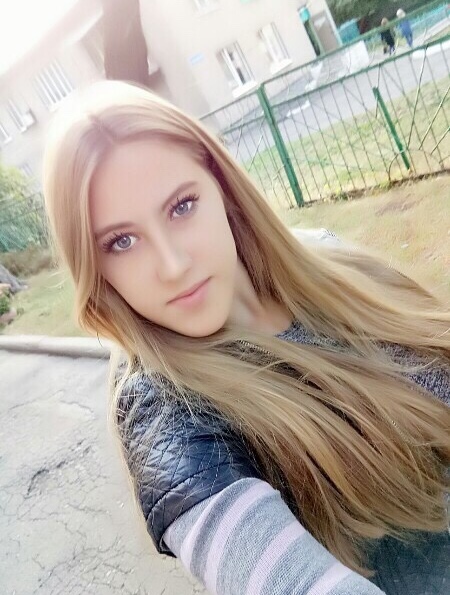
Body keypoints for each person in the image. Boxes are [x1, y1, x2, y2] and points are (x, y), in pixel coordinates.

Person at [43, 81, 449, 595]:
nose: (173, 264)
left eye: (181, 206)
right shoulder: (162, 413)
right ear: (94, 265)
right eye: (122, 241)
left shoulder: (327, 256)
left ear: (221, 186)